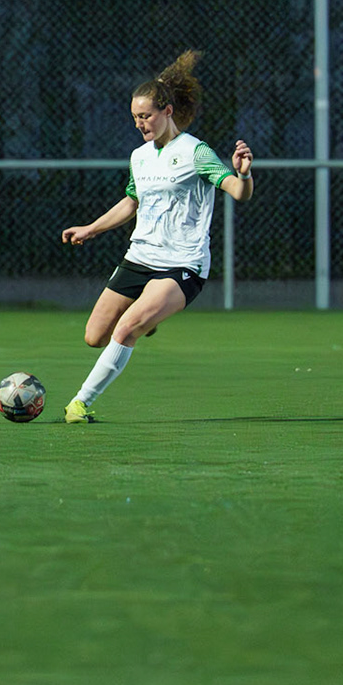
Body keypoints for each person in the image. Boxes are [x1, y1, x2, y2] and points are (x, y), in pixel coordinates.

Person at [58, 50, 254, 422]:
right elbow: (131, 202)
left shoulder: (196, 152)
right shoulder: (140, 157)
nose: (139, 123)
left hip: (182, 265)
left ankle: (80, 403)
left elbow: (238, 192)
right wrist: (91, 229)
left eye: (145, 116)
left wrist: (242, 173)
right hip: (140, 258)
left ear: (167, 111)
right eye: (135, 117)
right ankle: (151, 316)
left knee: (129, 326)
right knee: (95, 336)